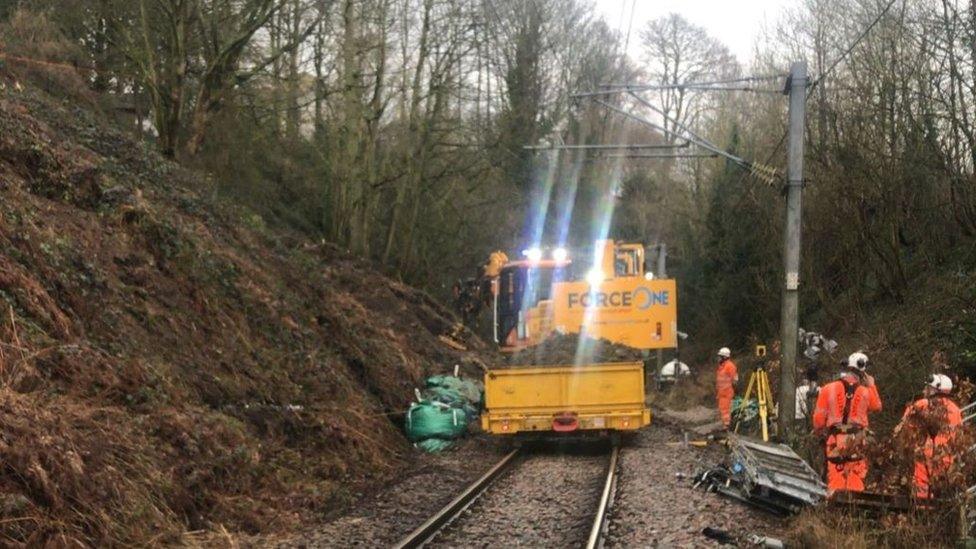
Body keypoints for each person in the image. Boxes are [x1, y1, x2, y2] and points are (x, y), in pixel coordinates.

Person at [812, 352, 882, 493]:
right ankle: (854, 510)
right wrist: (872, 385)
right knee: (856, 479)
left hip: (835, 440)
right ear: (863, 372)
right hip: (857, 441)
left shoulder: (828, 389)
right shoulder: (866, 392)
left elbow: (818, 421)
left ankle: (835, 510)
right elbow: (877, 406)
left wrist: (821, 431)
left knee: (835, 479)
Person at [896, 374, 963, 499]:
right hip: (947, 458)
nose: (924, 390)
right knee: (942, 497)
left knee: (922, 495)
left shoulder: (923, 404)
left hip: (925, 456)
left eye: (927, 387)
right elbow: (959, 436)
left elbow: (904, 427)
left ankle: (922, 514)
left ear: (934, 389)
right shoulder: (956, 410)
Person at [715, 347, 738, 429]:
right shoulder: (722, 366)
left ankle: (726, 426)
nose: (718, 358)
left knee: (725, 411)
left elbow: (735, 380)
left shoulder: (730, 366)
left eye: (720, 357)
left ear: (724, 357)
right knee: (722, 410)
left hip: (726, 393)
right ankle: (724, 426)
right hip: (721, 393)